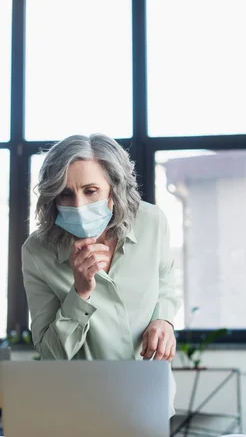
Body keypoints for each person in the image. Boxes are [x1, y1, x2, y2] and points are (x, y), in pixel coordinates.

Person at [22, 133, 179, 411]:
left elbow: (164, 280)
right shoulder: (37, 251)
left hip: (148, 395)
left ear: (114, 188)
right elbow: (51, 354)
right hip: (81, 407)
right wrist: (80, 292)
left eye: (91, 191)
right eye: (66, 194)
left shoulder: (151, 222)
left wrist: (163, 320)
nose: (79, 206)